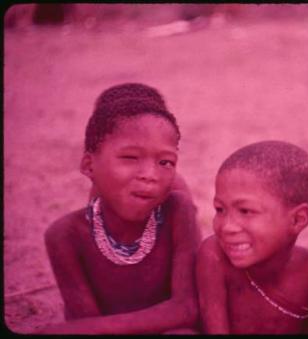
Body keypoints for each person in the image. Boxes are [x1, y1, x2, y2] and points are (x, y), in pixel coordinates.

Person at [42, 83, 201, 334]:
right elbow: (84, 318)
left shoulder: (174, 203)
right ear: (89, 163)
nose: (149, 174)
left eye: (165, 161)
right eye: (129, 157)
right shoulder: (67, 233)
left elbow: (187, 307)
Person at [196, 140, 308, 334]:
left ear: (297, 220)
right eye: (220, 209)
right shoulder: (214, 256)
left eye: (246, 211)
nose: (227, 227)